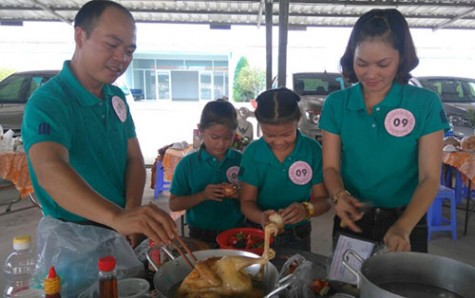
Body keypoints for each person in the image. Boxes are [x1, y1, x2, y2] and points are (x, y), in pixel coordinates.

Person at [21, 1, 177, 292]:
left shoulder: (115, 97)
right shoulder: (50, 102)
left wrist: (131, 211)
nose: (122, 58)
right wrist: (117, 217)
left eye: (129, 50)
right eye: (112, 45)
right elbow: (49, 168)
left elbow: (133, 158)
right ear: (80, 36)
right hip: (74, 244)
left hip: (117, 234)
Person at [319, 9, 450, 253]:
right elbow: (330, 167)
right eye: (362, 63)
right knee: (346, 289)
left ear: (401, 58)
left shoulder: (425, 103)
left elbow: (430, 178)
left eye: (383, 64)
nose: (371, 74)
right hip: (353, 215)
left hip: (407, 218)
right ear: (351, 58)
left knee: (401, 290)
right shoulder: (336, 104)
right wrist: (339, 195)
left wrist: (403, 226)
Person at [239, 87, 330, 251]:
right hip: (258, 232)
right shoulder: (253, 153)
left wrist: (307, 209)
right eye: (269, 135)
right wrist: (260, 217)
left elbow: (324, 200)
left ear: (299, 119)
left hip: (297, 234)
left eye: (287, 134)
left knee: (295, 273)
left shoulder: (312, 151)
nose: (279, 142)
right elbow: (246, 202)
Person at [169, 99, 245, 248]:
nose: (221, 144)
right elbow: (174, 204)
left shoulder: (240, 160)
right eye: (215, 137)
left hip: (236, 232)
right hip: (200, 234)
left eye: (228, 137)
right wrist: (202, 196)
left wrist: (238, 195)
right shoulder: (188, 164)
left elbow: (253, 197)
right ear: (201, 130)